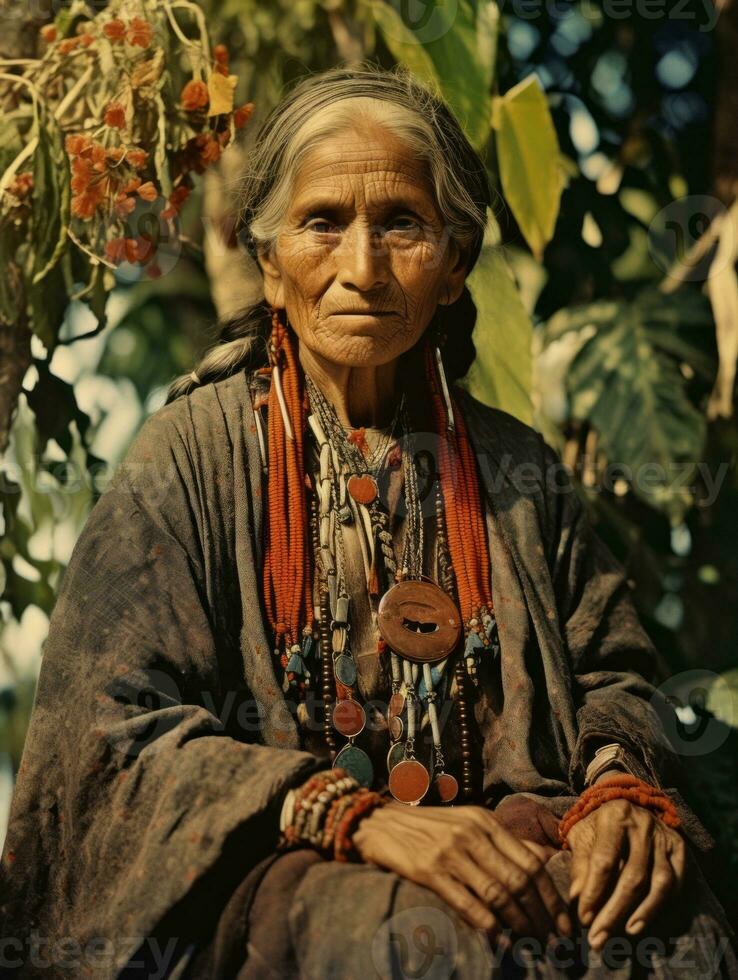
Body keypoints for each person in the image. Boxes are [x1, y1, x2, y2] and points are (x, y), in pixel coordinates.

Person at [0, 64, 735, 980]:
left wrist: (621, 788)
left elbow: (613, 672)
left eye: (401, 225)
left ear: (456, 263)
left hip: (516, 837)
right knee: (414, 943)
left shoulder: (514, 468)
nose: (362, 267)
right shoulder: (186, 457)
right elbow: (107, 735)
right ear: (269, 263)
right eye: (322, 224)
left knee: (673, 935)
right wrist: (356, 818)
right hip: (285, 877)